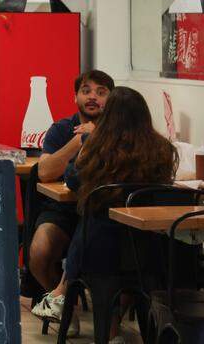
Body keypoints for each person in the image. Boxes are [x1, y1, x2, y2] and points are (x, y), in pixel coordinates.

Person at [33, 86, 178, 337]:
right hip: (146, 252)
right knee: (103, 227)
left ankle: (67, 296)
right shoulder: (161, 150)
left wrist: (85, 151)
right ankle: (110, 326)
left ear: (108, 116)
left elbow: (74, 181)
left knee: (92, 219)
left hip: (99, 253)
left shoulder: (99, 149)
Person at [28, 69, 114, 294]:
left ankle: (104, 313)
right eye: (86, 91)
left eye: (101, 92)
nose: (92, 97)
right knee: (39, 253)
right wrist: (79, 140)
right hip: (63, 209)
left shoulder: (117, 132)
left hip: (104, 212)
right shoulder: (62, 129)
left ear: (112, 99)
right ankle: (65, 306)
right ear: (75, 97)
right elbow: (44, 172)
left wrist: (97, 136)